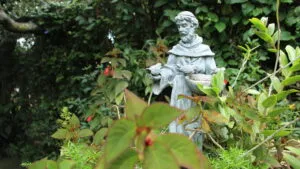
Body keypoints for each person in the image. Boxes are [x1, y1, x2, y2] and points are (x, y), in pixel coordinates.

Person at [148, 11, 219, 147]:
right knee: (178, 124)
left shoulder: (204, 50)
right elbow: (170, 70)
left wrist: (194, 71)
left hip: (197, 96)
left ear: (193, 26)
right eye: (179, 26)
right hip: (179, 97)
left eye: (184, 25)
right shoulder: (176, 50)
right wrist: (158, 74)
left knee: (194, 125)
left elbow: (212, 73)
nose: (181, 29)